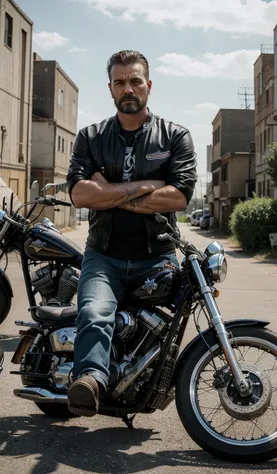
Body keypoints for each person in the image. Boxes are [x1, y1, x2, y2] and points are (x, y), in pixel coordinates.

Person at [66, 50, 197, 417]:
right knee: (94, 309)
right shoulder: (90, 137)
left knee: (166, 326)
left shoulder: (175, 136)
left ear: (148, 86)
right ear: (110, 88)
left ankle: (146, 378)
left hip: (157, 253)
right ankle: (90, 379)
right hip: (104, 255)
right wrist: (148, 187)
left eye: (135, 80)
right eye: (120, 81)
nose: (128, 88)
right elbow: (79, 194)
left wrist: (107, 193)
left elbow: (179, 196)